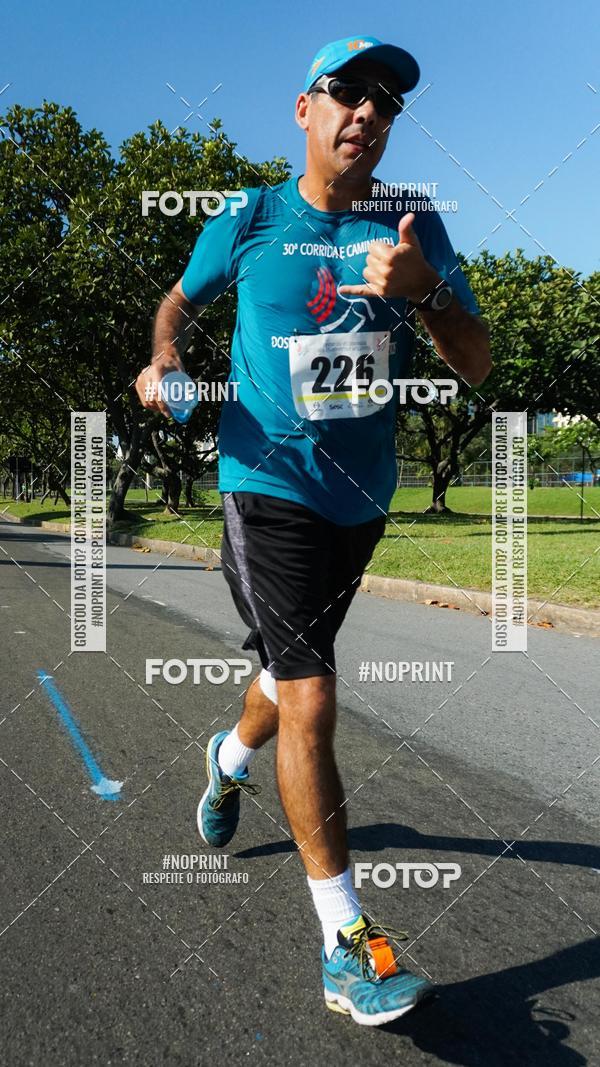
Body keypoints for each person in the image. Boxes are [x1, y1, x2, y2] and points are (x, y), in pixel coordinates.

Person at [136, 34, 492, 1026]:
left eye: (386, 100)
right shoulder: (248, 217)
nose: (368, 111)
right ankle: (347, 944)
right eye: (348, 91)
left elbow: (478, 363)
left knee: (288, 680)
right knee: (313, 689)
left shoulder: (415, 226)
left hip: (360, 499)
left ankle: (226, 759)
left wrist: (422, 291)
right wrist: (167, 357)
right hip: (265, 480)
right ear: (304, 109)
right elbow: (179, 300)